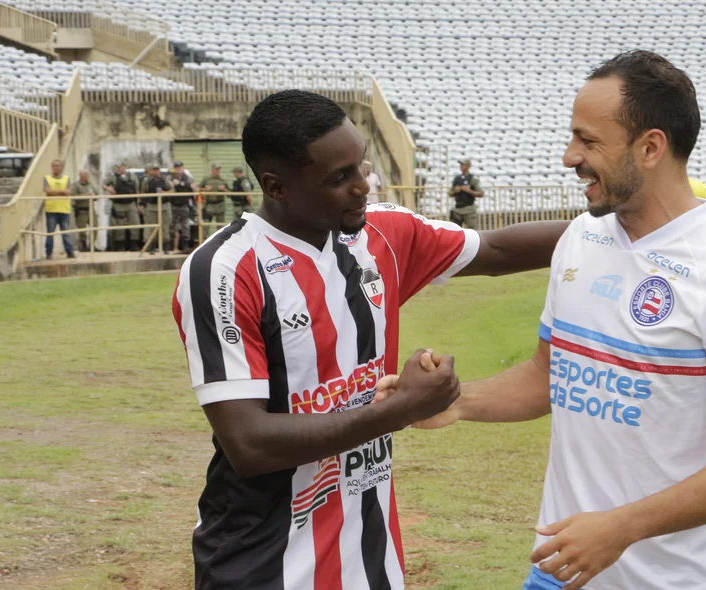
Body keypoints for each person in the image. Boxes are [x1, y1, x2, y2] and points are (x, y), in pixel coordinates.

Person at [396, 51, 706, 590]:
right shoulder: (582, 238)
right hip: (559, 573)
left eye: (588, 141)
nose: (568, 156)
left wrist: (620, 529)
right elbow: (546, 376)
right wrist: (454, 401)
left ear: (650, 147)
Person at [170, 89, 568, 590]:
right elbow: (249, 443)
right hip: (262, 561)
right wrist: (399, 409)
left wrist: (615, 227)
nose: (363, 187)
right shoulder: (223, 271)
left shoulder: (382, 235)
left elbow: (496, 249)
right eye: (340, 178)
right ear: (278, 186)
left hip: (371, 556)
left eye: (362, 166)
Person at [103, 162, 141, 252]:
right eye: (117, 168)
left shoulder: (132, 176)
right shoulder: (113, 176)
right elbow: (103, 184)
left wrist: (138, 203)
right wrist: (109, 189)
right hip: (118, 203)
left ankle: (134, 245)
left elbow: (137, 190)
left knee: (135, 223)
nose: (119, 169)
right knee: (119, 225)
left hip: (131, 203)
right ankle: (120, 246)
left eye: (120, 167)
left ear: (125, 167)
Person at [42, 159, 75, 259]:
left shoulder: (67, 178)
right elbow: (47, 191)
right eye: (54, 166)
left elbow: (69, 192)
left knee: (65, 233)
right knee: (50, 233)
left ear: (61, 167)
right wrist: (62, 191)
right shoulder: (46, 178)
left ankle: (70, 252)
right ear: (52, 167)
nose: (56, 168)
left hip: (64, 210)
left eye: (58, 166)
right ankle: (48, 253)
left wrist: (55, 191)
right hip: (51, 210)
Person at [139, 165, 174, 253]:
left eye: (157, 169)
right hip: (151, 206)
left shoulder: (165, 180)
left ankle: (165, 248)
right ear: (150, 171)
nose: (155, 171)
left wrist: (164, 192)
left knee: (165, 227)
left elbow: (172, 190)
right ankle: (152, 248)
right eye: (153, 170)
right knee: (152, 227)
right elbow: (142, 193)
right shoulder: (146, 181)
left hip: (164, 205)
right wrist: (142, 204)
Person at [169, 161, 197, 253]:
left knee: (185, 226)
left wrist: (181, 184)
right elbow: (169, 186)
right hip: (173, 205)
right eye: (177, 168)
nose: (178, 170)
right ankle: (173, 246)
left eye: (180, 168)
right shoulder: (171, 177)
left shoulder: (187, 177)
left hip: (184, 205)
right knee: (172, 226)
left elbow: (191, 185)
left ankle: (185, 245)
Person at [448, 158, 483, 229]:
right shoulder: (457, 179)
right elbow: (450, 193)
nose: (461, 166)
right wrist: (455, 191)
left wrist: (469, 191)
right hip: (458, 210)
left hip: (469, 210)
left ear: (468, 166)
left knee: (472, 231)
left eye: (463, 164)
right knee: (455, 230)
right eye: (461, 164)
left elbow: (481, 193)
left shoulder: (473, 179)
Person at [72, 169, 98, 252]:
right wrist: (85, 195)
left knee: (95, 227)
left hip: (91, 209)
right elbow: (73, 196)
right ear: (81, 176)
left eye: (88, 175)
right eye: (86, 175)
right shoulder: (76, 185)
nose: (87, 177)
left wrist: (94, 196)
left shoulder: (91, 185)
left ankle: (92, 246)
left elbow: (96, 194)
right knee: (82, 230)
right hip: (81, 210)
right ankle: (83, 245)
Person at [199, 163, 229, 228]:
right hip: (209, 205)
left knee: (221, 227)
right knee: (205, 225)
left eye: (219, 169)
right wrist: (205, 189)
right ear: (212, 170)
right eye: (216, 169)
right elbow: (198, 189)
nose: (218, 171)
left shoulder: (223, 179)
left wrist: (224, 190)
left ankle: (221, 238)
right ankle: (204, 237)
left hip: (220, 205)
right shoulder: (206, 179)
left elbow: (230, 193)